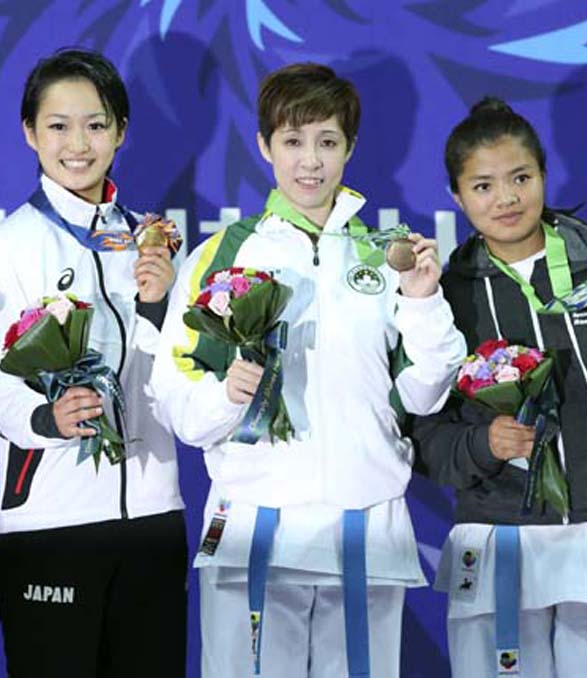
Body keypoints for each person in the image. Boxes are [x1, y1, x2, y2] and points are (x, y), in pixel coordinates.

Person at [149, 62, 466, 677]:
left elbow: (424, 395)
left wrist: (424, 300)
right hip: (255, 523)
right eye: (293, 141)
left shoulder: (387, 254)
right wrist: (226, 395)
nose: (310, 162)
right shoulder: (224, 254)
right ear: (264, 145)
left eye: (327, 141)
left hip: (366, 524)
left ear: (350, 147)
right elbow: (175, 400)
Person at [412, 97, 587, 677]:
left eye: (521, 178)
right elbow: (423, 435)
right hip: (497, 536)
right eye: (483, 186)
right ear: (456, 197)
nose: (506, 198)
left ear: (544, 175)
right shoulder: (443, 296)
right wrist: (482, 445)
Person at [0, 49, 186, 677]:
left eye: (95, 124)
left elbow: (177, 377)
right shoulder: (1, 249)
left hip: (154, 515)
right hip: (51, 521)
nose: (78, 144)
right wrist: (49, 418)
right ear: (30, 132)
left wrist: (158, 304)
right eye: (58, 126)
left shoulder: (153, 242)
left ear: (121, 131)